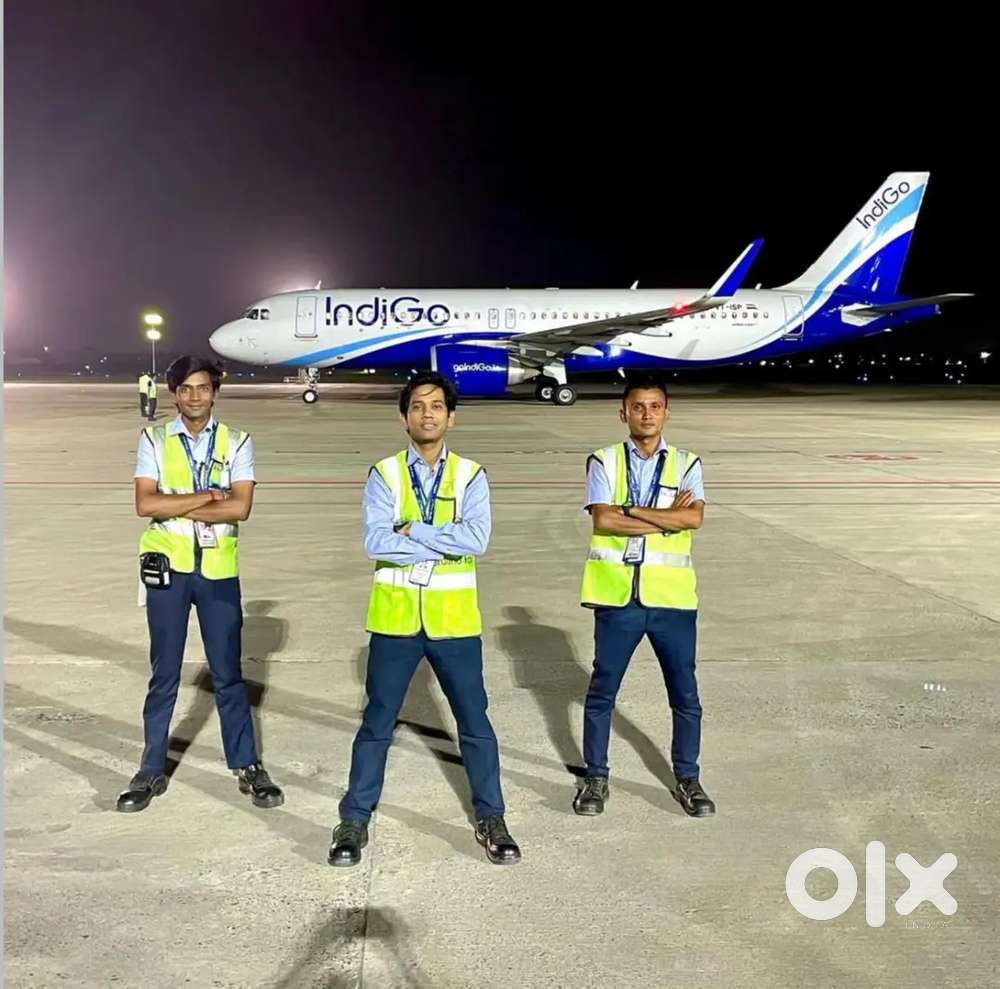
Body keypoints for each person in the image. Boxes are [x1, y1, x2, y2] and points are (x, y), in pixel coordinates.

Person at [329, 371, 521, 867]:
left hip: (454, 623)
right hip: (395, 622)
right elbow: (375, 540)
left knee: (474, 723)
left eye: (436, 406)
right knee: (377, 722)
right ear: (404, 418)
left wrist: (412, 529)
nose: (427, 414)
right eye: (417, 406)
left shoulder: (471, 475)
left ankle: (492, 817)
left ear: (451, 417)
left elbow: (476, 539)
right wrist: (444, 537)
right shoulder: (384, 473)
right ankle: (354, 818)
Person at [118, 355, 283, 813]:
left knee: (228, 673)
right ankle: (151, 767)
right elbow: (144, 503)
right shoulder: (153, 439)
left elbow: (240, 508)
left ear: (215, 393)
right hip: (168, 570)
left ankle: (247, 764)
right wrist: (209, 496)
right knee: (164, 673)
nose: (195, 396)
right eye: (186, 388)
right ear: (174, 393)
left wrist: (174, 503)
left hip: (217, 572)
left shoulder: (237, 441)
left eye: (203, 388)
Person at [576, 374, 715, 819]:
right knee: (602, 692)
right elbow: (604, 521)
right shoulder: (603, 460)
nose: (647, 414)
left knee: (685, 694)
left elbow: (693, 520)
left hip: (672, 600)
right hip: (618, 598)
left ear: (666, 413)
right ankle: (596, 777)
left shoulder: (688, 463)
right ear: (624, 414)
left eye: (655, 406)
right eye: (638, 407)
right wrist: (664, 518)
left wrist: (631, 509)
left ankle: (688, 778)